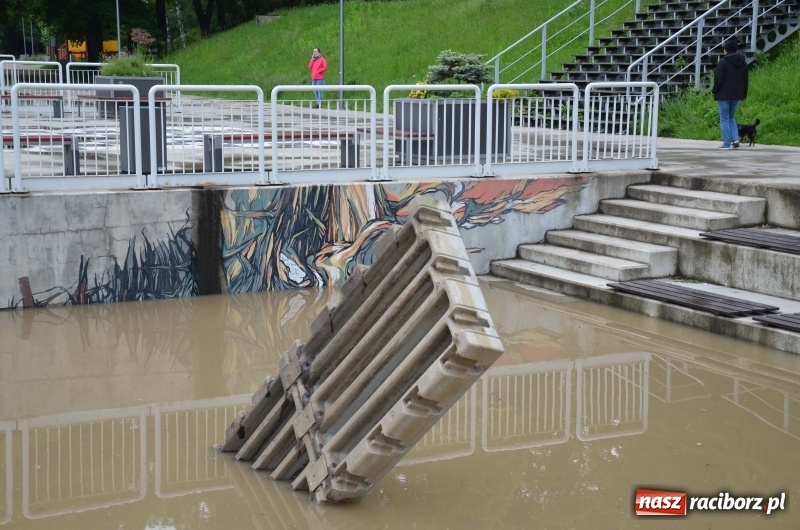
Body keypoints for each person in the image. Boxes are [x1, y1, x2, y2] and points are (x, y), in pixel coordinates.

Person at [712, 39, 749, 150]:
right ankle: (735, 139)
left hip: (723, 95)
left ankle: (726, 143)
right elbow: (745, 80)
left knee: (724, 118)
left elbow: (718, 80)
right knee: (731, 117)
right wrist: (744, 94)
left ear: (726, 50)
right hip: (737, 95)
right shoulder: (743, 62)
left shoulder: (723, 62)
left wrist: (715, 91)